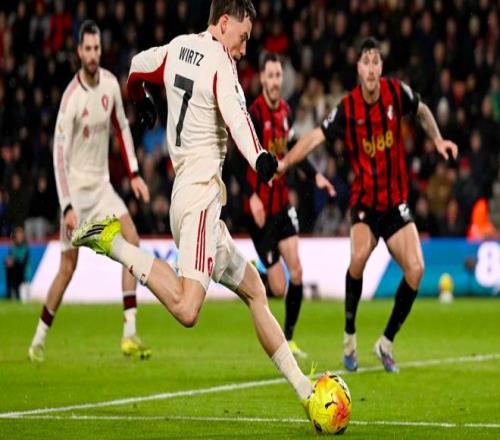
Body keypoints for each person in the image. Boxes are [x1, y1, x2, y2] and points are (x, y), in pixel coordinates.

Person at [72, 0, 313, 413]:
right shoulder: (221, 62)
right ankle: (114, 243)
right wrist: (260, 157)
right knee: (187, 309)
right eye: (243, 38)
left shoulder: (177, 47)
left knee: (256, 290)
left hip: (190, 196)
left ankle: (306, 392)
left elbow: (136, 67)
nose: (243, 49)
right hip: (200, 197)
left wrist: (141, 99)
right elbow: (239, 117)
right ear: (224, 22)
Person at [279, 37, 458, 373]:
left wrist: (437, 140)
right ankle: (349, 335)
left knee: (416, 270)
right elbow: (316, 136)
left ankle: (385, 343)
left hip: (394, 202)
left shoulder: (395, 92)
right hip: (364, 202)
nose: (372, 68)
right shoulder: (348, 108)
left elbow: (421, 109)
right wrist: (286, 162)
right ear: (359, 69)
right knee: (359, 257)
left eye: (376, 61)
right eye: (366, 62)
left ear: (381, 67)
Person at [28, 20, 151, 363]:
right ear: (79, 52)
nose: (93, 54)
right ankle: (38, 339)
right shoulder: (71, 99)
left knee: (133, 240)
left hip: (103, 188)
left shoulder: (110, 84)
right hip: (77, 195)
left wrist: (135, 173)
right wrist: (67, 206)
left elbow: (122, 128)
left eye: (97, 48)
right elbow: (58, 157)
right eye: (88, 49)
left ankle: (129, 333)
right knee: (68, 268)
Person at [231, 52, 334, 359]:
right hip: (260, 209)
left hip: (282, 204)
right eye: (271, 76)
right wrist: (250, 195)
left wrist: (315, 176)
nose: (276, 81)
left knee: (297, 271)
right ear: (262, 79)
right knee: (278, 288)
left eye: (279, 76)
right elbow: (236, 158)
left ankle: (288, 339)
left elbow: (291, 148)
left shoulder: (286, 111)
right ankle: (252, 274)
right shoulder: (253, 114)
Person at [5, 226, 29, 300]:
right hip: (13, 270)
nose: (19, 237)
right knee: (8, 265)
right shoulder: (13, 247)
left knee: (14, 266)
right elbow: (10, 256)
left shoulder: (25, 247)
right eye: (18, 235)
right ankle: (9, 293)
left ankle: (16, 294)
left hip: (22, 270)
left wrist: (13, 260)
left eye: (20, 235)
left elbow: (23, 260)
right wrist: (8, 260)